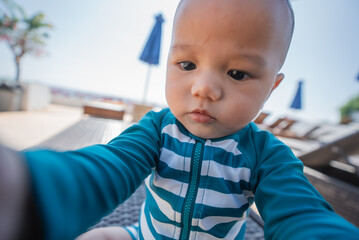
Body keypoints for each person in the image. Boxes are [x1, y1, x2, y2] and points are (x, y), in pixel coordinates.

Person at [1, 0, 358, 239]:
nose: (203, 88)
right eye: (187, 65)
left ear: (272, 86)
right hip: (146, 235)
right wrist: (31, 187)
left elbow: (301, 212)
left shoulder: (266, 155)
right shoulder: (157, 129)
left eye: (237, 73)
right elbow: (110, 165)